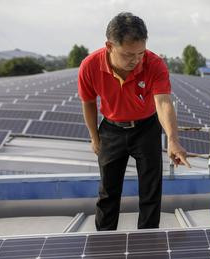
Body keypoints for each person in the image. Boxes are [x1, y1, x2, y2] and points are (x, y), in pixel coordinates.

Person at [78, 12, 190, 230]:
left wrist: (173, 139)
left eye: (141, 53)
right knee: (108, 192)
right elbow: (89, 102)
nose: (136, 60)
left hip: (146, 128)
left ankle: (147, 241)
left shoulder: (154, 64)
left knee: (150, 190)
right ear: (109, 46)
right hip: (111, 130)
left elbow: (163, 103)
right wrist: (94, 137)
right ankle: (104, 240)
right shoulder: (90, 66)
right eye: (129, 54)